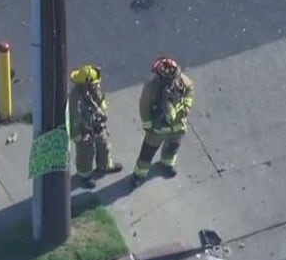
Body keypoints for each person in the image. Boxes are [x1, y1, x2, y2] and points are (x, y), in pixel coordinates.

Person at [132, 57, 194, 188]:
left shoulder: (182, 81)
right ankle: (139, 174)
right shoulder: (151, 87)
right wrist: (148, 125)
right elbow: (144, 106)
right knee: (147, 152)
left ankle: (167, 163)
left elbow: (190, 90)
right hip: (157, 128)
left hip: (177, 126)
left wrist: (186, 107)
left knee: (173, 147)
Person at [68, 64, 123, 189]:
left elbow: (101, 101)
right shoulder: (75, 98)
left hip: (97, 125)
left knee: (104, 145)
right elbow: (74, 119)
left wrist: (102, 113)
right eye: (94, 84)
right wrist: (78, 136)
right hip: (84, 130)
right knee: (86, 153)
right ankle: (84, 174)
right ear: (85, 84)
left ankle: (104, 165)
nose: (96, 85)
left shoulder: (95, 90)